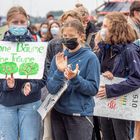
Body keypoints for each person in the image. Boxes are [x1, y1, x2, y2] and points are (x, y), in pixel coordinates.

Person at [46, 19, 100, 140]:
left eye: (71, 36)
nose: (67, 39)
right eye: (65, 36)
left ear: (81, 36)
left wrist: (75, 78)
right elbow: (51, 89)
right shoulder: (58, 57)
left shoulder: (90, 58)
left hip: (79, 116)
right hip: (58, 113)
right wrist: (59, 72)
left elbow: (93, 89)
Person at [0, 6, 46, 140]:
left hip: (30, 103)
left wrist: (32, 86)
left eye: (22, 22)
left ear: (27, 22)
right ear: (8, 23)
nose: (19, 25)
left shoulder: (37, 45)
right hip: (6, 104)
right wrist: (7, 85)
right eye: (15, 22)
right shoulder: (2, 47)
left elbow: (44, 75)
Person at [96, 12, 140, 140]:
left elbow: (136, 79)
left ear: (115, 28)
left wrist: (111, 89)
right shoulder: (105, 49)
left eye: (105, 26)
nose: (102, 30)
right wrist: (106, 75)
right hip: (104, 102)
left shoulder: (129, 50)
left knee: (122, 136)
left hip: (122, 102)